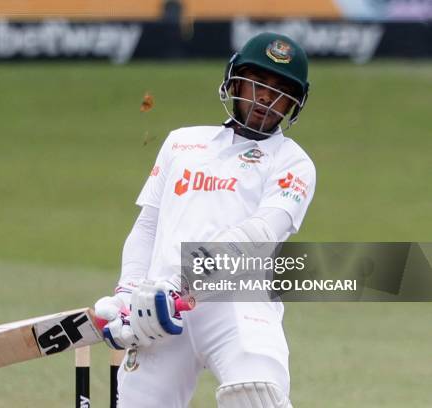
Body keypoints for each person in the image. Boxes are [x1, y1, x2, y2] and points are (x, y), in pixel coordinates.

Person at [95, 32, 316, 407]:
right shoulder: (182, 143)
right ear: (234, 81)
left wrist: (178, 284)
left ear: (294, 104)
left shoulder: (293, 161)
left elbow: (261, 232)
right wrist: (129, 294)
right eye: (258, 83)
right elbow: (148, 226)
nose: (266, 97)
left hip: (240, 305)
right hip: (161, 311)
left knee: (256, 395)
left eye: (281, 90)